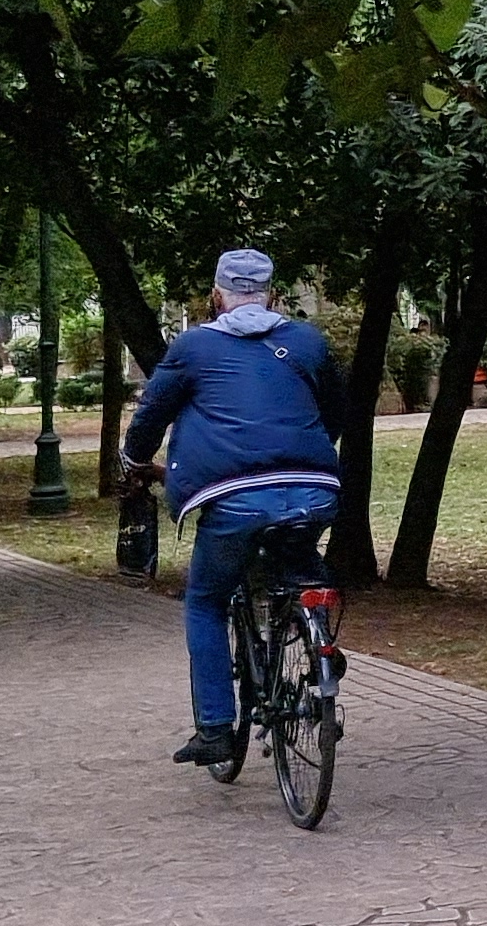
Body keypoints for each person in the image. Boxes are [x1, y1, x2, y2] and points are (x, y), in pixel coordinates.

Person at [122, 249, 354, 769]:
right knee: (298, 563)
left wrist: (133, 460)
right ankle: (320, 648)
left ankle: (215, 729)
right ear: (271, 294)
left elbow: (150, 415)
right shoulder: (307, 341)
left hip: (233, 500)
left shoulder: (194, 346)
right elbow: (336, 411)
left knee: (205, 601)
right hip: (314, 488)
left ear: (217, 294)